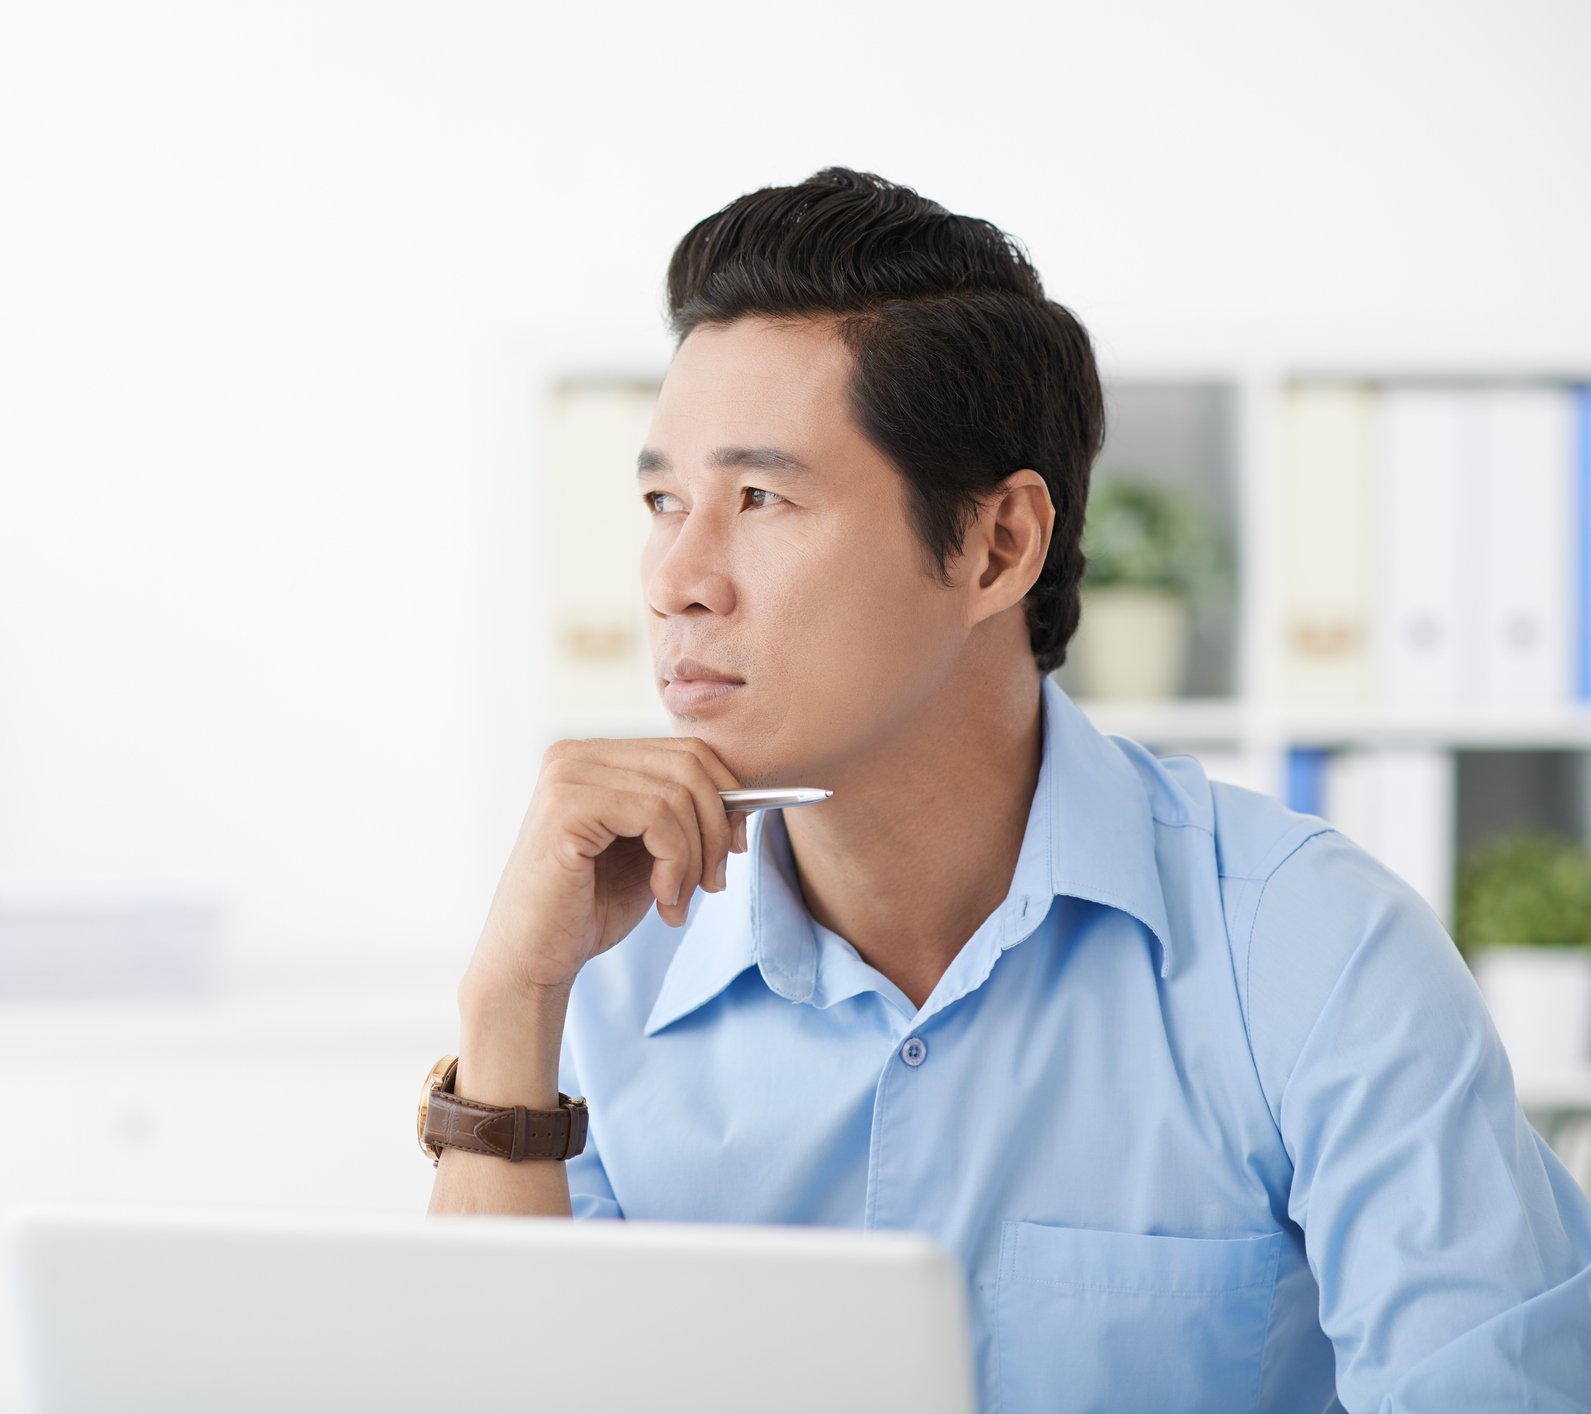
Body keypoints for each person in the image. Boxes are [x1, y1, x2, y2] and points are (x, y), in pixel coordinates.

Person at [423, 166, 1591, 1411]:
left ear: (997, 545)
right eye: (664, 501)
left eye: (760, 497)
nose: (674, 580)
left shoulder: (1313, 951)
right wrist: (507, 1008)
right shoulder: (601, 967)